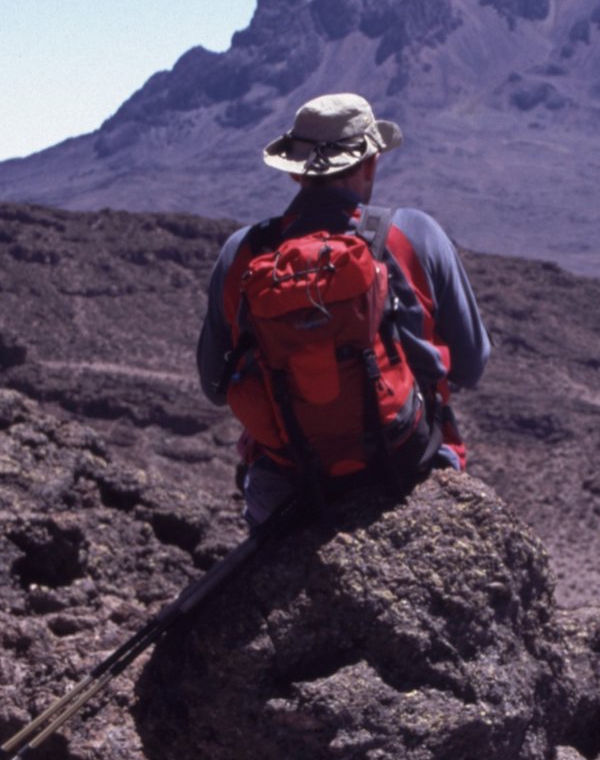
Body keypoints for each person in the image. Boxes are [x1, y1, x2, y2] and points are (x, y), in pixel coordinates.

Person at [196, 93, 489, 524]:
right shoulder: (413, 235)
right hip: (415, 465)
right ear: (370, 163)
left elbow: (215, 387)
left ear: (297, 175)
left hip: (288, 489)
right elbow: (471, 366)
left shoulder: (244, 253)